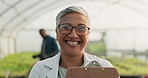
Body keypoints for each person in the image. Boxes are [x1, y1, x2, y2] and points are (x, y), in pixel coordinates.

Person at [29, 6, 114, 78]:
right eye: (66, 27)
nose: (73, 35)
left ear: (87, 34)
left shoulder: (105, 68)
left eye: (81, 28)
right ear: (57, 34)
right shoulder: (39, 70)